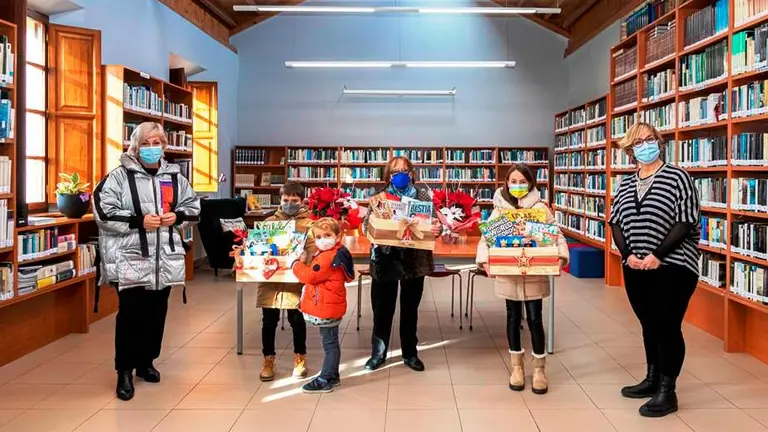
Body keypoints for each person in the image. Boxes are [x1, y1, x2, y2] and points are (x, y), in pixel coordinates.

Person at [93, 121, 200, 401]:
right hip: (132, 258)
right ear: (135, 145)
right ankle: (124, 371)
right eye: (146, 143)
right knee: (131, 314)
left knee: (157, 313)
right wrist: (138, 221)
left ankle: (146, 362)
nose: (152, 148)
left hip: (165, 258)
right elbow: (104, 213)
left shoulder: (175, 177)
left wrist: (177, 216)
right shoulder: (117, 177)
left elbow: (193, 206)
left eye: (157, 143)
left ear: (164, 146)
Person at [609, 122, 700, 418]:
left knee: (667, 324)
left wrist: (657, 254)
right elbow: (615, 222)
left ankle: (667, 390)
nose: (645, 145)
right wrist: (628, 255)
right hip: (635, 266)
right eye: (639, 142)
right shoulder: (626, 183)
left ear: (659, 142)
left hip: (673, 265)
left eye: (650, 139)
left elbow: (686, 221)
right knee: (648, 323)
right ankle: (651, 379)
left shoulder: (678, 177)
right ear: (630, 150)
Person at [475, 164, 568, 395]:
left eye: (522, 181)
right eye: (513, 181)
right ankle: (516, 367)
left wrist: (561, 257)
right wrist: (484, 261)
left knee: (536, 319)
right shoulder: (500, 210)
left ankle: (539, 369)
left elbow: (556, 235)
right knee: (512, 317)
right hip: (509, 273)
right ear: (507, 183)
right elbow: (485, 240)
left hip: (535, 272)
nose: (517, 185)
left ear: (530, 182)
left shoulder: (540, 208)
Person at [362, 156, 442, 372]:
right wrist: (376, 226)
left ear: (412, 173)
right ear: (389, 175)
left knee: (410, 309)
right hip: (385, 258)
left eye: (405, 170)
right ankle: (378, 353)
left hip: (414, 260)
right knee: (382, 308)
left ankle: (410, 353)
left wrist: (437, 229)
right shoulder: (379, 197)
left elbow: (435, 224)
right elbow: (364, 226)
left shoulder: (423, 196)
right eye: (396, 171)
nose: (401, 174)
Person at [257, 181, 316, 381]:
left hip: (296, 281)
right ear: (280, 200)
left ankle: (300, 357)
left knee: (297, 320)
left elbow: (312, 249)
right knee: (269, 320)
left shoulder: (309, 224)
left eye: (294, 200)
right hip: (271, 280)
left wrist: (305, 258)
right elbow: (257, 247)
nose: (289, 203)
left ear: (302, 201)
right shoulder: (269, 222)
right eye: (286, 200)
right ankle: (268, 358)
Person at [292, 217, 354, 393]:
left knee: (329, 344)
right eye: (318, 237)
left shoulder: (327, 257)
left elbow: (310, 276)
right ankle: (332, 375)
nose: (322, 240)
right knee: (332, 342)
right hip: (332, 304)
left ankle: (325, 378)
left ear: (337, 236)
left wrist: (296, 264)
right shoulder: (338, 252)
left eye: (327, 235)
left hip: (327, 307)